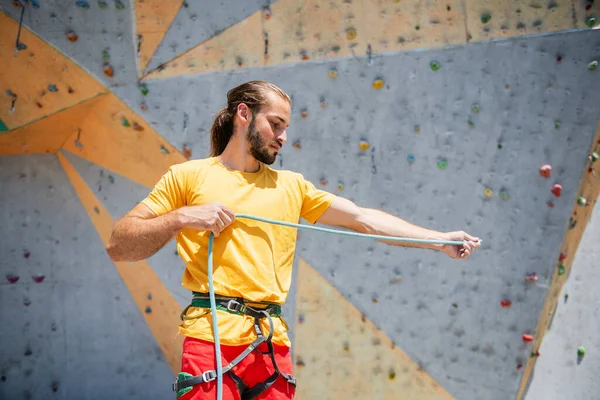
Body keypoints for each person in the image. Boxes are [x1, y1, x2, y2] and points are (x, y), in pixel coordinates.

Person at [105, 80, 480, 400]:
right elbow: (119, 245)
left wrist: (437, 239)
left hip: (271, 344)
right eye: (276, 124)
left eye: (286, 127)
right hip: (212, 338)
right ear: (244, 114)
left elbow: (364, 219)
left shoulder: (292, 186)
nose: (283, 137)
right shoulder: (188, 177)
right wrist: (182, 216)